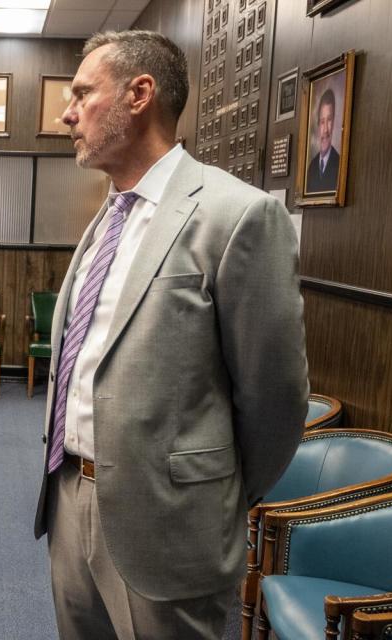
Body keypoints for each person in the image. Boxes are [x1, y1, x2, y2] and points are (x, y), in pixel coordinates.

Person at [33, 30, 308, 639]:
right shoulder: (109, 214)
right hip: (71, 498)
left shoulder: (237, 215)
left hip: (170, 523)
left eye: (82, 93)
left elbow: (275, 401)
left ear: (140, 94)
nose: (66, 112)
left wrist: (207, 494)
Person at [305, 88, 340, 193]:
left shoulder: (339, 165)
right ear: (318, 125)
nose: (325, 130)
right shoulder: (311, 167)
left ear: (333, 122)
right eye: (322, 122)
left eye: (329, 120)